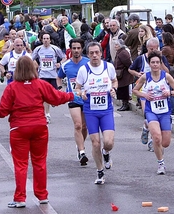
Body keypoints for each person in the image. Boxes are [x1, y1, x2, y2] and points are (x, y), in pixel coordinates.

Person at [0, 56, 80, 208]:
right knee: (39, 162)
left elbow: (3, 110)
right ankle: (42, 195)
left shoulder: (12, 87)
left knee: (20, 165)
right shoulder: (40, 84)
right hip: (39, 127)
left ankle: (20, 198)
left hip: (19, 129)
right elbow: (56, 98)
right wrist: (72, 96)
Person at [132, 51, 174, 175]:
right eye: (153, 62)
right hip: (151, 111)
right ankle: (161, 163)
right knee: (156, 136)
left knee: (165, 142)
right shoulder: (145, 77)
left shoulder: (166, 77)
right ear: (149, 64)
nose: (155, 65)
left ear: (160, 64)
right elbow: (135, 90)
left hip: (164, 111)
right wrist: (144, 95)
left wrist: (169, 93)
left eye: (157, 62)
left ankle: (156, 145)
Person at [75, 42, 118, 184]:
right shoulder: (83, 69)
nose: (94, 55)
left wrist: (114, 90)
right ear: (88, 55)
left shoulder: (108, 67)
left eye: (97, 52)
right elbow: (78, 88)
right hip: (91, 111)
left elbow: (114, 81)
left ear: (101, 53)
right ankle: (100, 172)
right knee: (95, 143)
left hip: (106, 110)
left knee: (108, 142)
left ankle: (106, 153)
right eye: (91, 53)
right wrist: (81, 94)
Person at [129, 38, 170, 151]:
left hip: (159, 94)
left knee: (156, 118)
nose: (153, 50)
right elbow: (130, 69)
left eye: (155, 48)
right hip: (145, 92)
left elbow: (167, 72)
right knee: (148, 116)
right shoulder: (141, 58)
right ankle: (148, 129)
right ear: (147, 48)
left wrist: (160, 63)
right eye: (151, 48)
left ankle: (153, 139)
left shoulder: (160, 59)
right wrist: (138, 74)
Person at [57, 38, 90, 166]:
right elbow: (59, 77)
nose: (76, 51)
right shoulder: (66, 65)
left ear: (82, 49)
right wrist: (60, 89)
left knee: (84, 127)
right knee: (77, 125)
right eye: (74, 48)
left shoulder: (88, 63)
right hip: (73, 98)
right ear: (70, 49)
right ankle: (82, 152)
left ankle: (80, 144)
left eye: (78, 48)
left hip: (86, 99)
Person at [31, 33, 66, 124]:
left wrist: (60, 64)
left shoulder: (55, 48)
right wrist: (35, 65)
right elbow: (31, 59)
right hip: (43, 75)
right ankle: (47, 114)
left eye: (47, 38)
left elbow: (64, 57)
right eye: (44, 38)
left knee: (54, 96)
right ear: (42, 40)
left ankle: (52, 102)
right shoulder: (38, 49)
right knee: (44, 96)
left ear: (50, 40)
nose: (46, 40)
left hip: (53, 75)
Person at [114, 39, 133, 111]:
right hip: (121, 74)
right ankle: (124, 104)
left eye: (117, 45)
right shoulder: (120, 52)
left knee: (124, 90)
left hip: (124, 74)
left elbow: (128, 63)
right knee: (122, 90)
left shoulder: (123, 53)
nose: (115, 46)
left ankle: (126, 104)